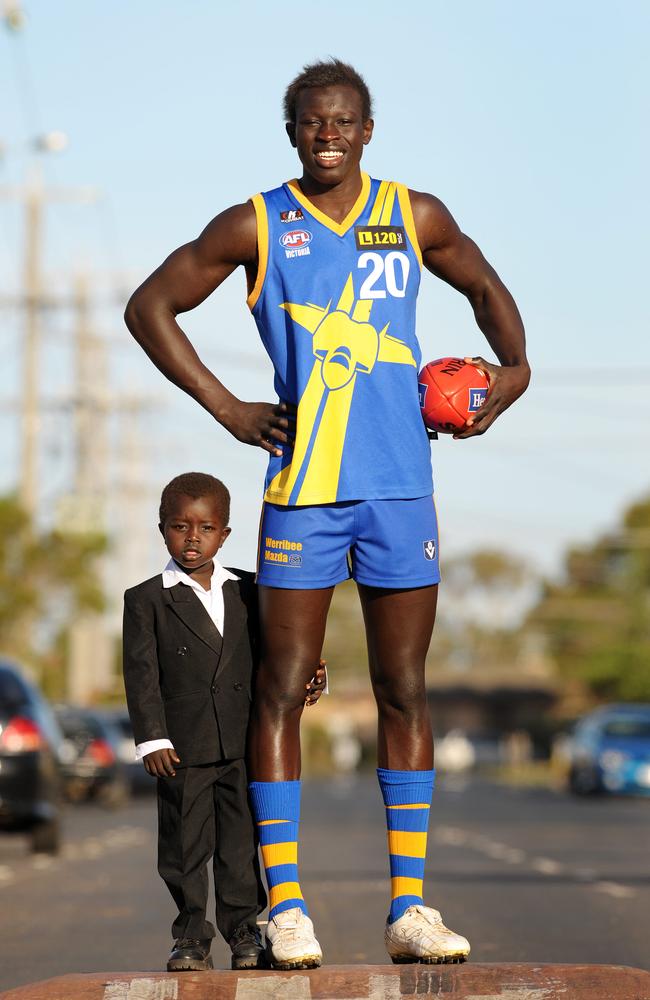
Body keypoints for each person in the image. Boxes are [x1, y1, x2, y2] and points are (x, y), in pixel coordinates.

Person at [125, 59, 530, 969]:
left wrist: (513, 375)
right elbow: (150, 306)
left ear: (368, 129)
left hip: (399, 490)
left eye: (344, 120)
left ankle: (411, 909)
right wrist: (228, 408)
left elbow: (487, 288)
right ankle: (289, 908)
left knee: (405, 688)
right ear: (294, 132)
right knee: (281, 688)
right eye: (313, 122)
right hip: (301, 492)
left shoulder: (415, 213)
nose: (329, 134)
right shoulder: (257, 222)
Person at [122, 472, 326, 972]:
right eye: (179, 527)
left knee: (239, 847)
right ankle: (190, 937)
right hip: (182, 746)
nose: (192, 539)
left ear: (225, 534)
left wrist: (309, 673)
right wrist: (152, 738)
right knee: (184, 849)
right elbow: (141, 673)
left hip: (242, 740)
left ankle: (243, 932)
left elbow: (278, 649)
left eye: (206, 528)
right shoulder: (146, 598)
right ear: (162, 529)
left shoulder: (250, 589)